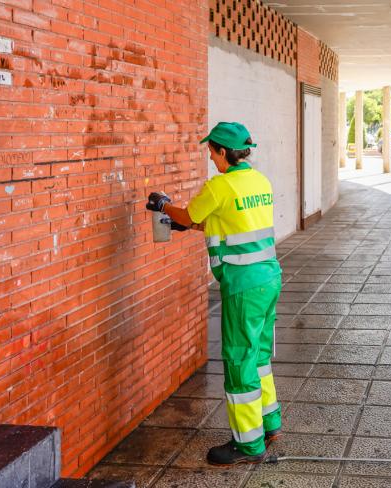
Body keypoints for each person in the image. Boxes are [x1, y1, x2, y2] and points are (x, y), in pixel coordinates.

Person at [145, 122, 282, 466]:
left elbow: (192, 214)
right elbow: (230, 221)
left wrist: (164, 205)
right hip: (269, 277)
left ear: (223, 152)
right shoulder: (260, 181)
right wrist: (190, 222)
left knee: (239, 361)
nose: (211, 159)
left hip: (243, 285)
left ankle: (249, 445)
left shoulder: (220, 185)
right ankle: (270, 423)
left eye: (212, 152)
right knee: (260, 355)